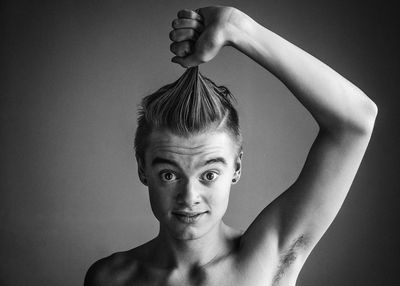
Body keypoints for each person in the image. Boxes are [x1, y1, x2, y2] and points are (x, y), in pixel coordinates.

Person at [84, 6, 377, 286]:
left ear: (236, 168)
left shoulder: (268, 259)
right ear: (142, 169)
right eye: (169, 175)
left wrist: (240, 29)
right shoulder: (110, 278)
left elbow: (355, 122)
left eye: (209, 174)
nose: (189, 196)